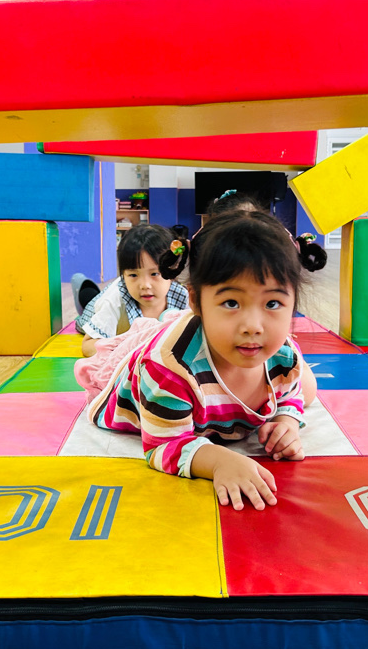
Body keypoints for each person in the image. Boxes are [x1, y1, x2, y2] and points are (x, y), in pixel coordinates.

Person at [86, 209, 318, 512]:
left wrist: (286, 422)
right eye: (231, 303)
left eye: (272, 303)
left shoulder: (284, 356)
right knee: (119, 359)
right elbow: (164, 445)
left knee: (309, 388)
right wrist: (220, 461)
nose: (253, 326)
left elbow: (290, 396)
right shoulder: (170, 368)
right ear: (195, 301)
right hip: (137, 395)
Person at [73, 223, 189, 358]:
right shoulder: (114, 300)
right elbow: (88, 346)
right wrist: (127, 351)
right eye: (133, 275)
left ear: (172, 270)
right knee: (90, 304)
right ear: (123, 274)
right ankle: (83, 287)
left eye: (154, 274)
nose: (145, 285)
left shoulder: (181, 296)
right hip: (99, 308)